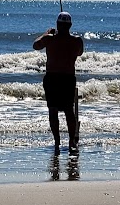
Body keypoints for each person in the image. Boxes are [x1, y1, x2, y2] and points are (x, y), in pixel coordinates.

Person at [33, 11, 84, 152]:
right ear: (70, 25)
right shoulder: (77, 40)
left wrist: (46, 33)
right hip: (68, 78)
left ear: (57, 24)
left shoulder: (49, 39)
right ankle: (72, 141)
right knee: (69, 110)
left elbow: (35, 45)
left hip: (52, 78)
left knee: (53, 110)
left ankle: (57, 142)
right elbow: (79, 52)